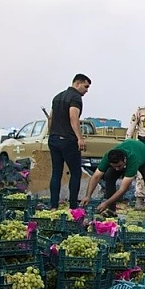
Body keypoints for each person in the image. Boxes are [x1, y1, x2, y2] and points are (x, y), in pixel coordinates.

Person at [80, 139, 145, 221]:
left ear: (125, 160)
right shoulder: (107, 157)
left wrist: (106, 203)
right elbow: (95, 177)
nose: (116, 169)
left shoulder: (133, 160)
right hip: (130, 149)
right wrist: (88, 196)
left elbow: (123, 189)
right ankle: (112, 210)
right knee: (109, 176)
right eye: (114, 166)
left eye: (119, 166)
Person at [47, 74, 90, 209]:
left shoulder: (57, 97)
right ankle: (73, 206)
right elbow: (73, 117)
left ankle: (54, 205)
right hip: (68, 140)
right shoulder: (75, 97)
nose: (86, 90)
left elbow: (50, 118)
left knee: (56, 173)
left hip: (53, 139)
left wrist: (51, 132)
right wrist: (80, 138)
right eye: (86, 86)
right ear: (77, 83)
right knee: (75, 172)